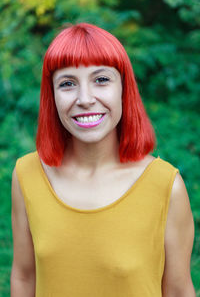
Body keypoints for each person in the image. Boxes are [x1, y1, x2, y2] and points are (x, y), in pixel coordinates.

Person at [10, 22, 196, 297]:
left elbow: (179, 290)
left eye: (101, 79)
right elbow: (24, 278)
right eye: (68, 83)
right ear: (52, 96)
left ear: (124, 89)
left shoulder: (166, 186)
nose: (85, 99)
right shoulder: (27, 174)